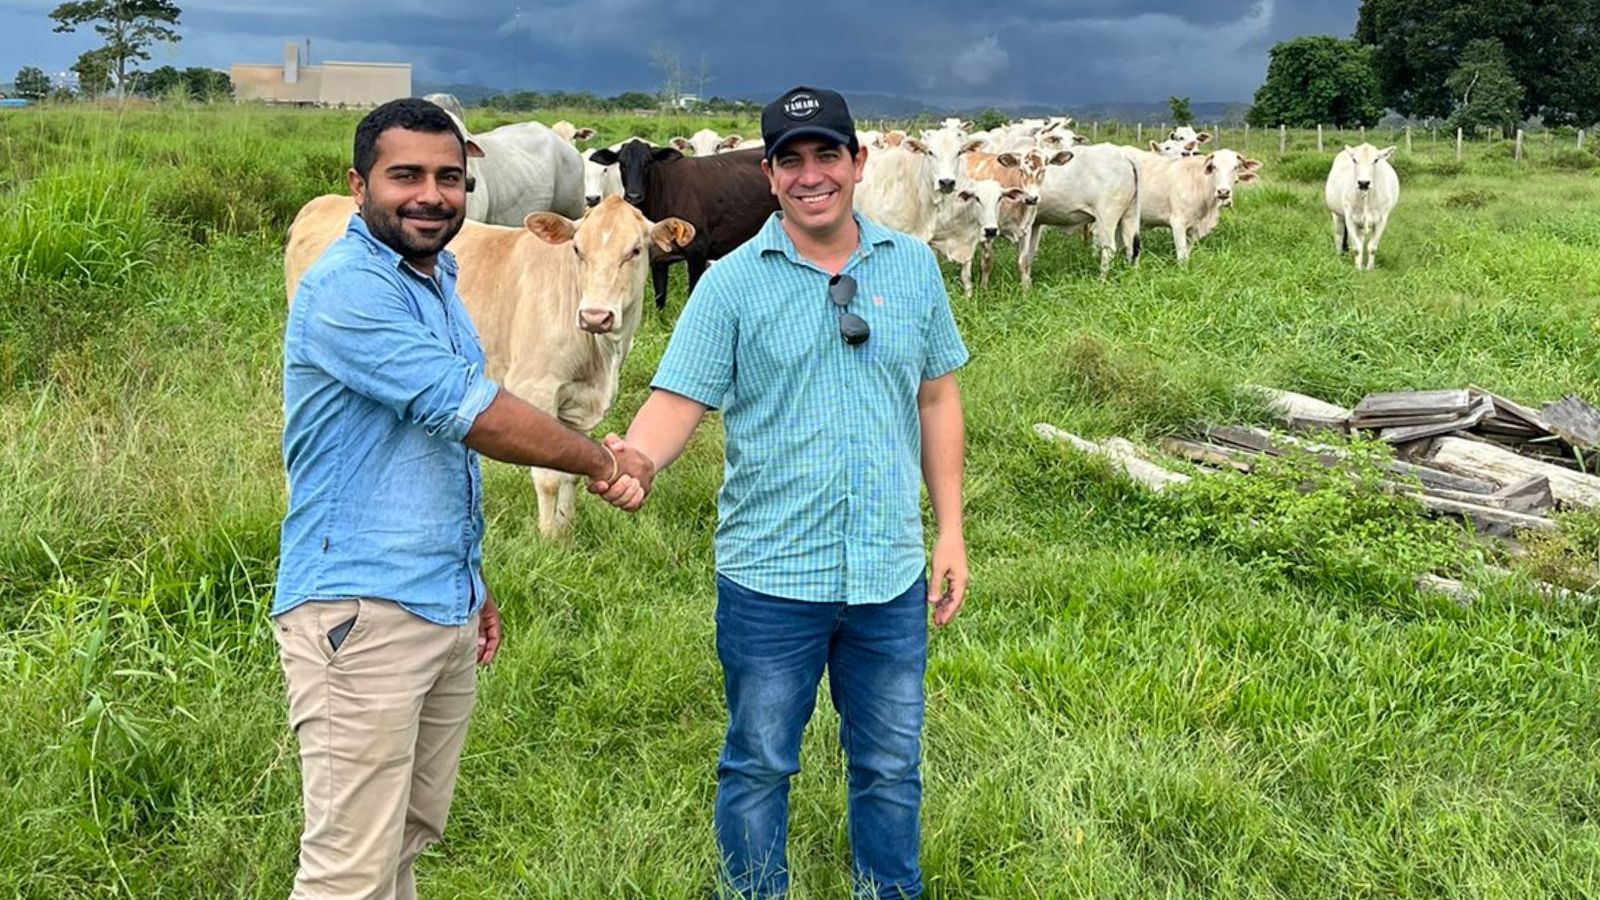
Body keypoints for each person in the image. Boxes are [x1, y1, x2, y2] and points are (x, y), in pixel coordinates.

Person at [593, 85, 969, 899]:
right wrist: (643, 461)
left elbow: (937, 398)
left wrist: (950, 532)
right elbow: (676, 400)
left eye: (826, 155)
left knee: (891, 762)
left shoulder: (912, 271)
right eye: (790, 160)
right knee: (759, 761)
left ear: (857, 162)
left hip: (888, 571)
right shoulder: (730, 285)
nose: (811, 176)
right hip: (770, 578)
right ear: (768, 174)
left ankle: (887, 891)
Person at [273, 97, 651, 899]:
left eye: (449, 176)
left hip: (433, 599)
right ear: (359, 183)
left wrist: (468, 585)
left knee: (406, 840)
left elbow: (433, 451)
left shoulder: (438, 275)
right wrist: (597, 460)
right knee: (348, 868)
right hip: (357, 610)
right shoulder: (349, 286)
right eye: (404, 175)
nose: (431, 194)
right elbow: (468, 409)